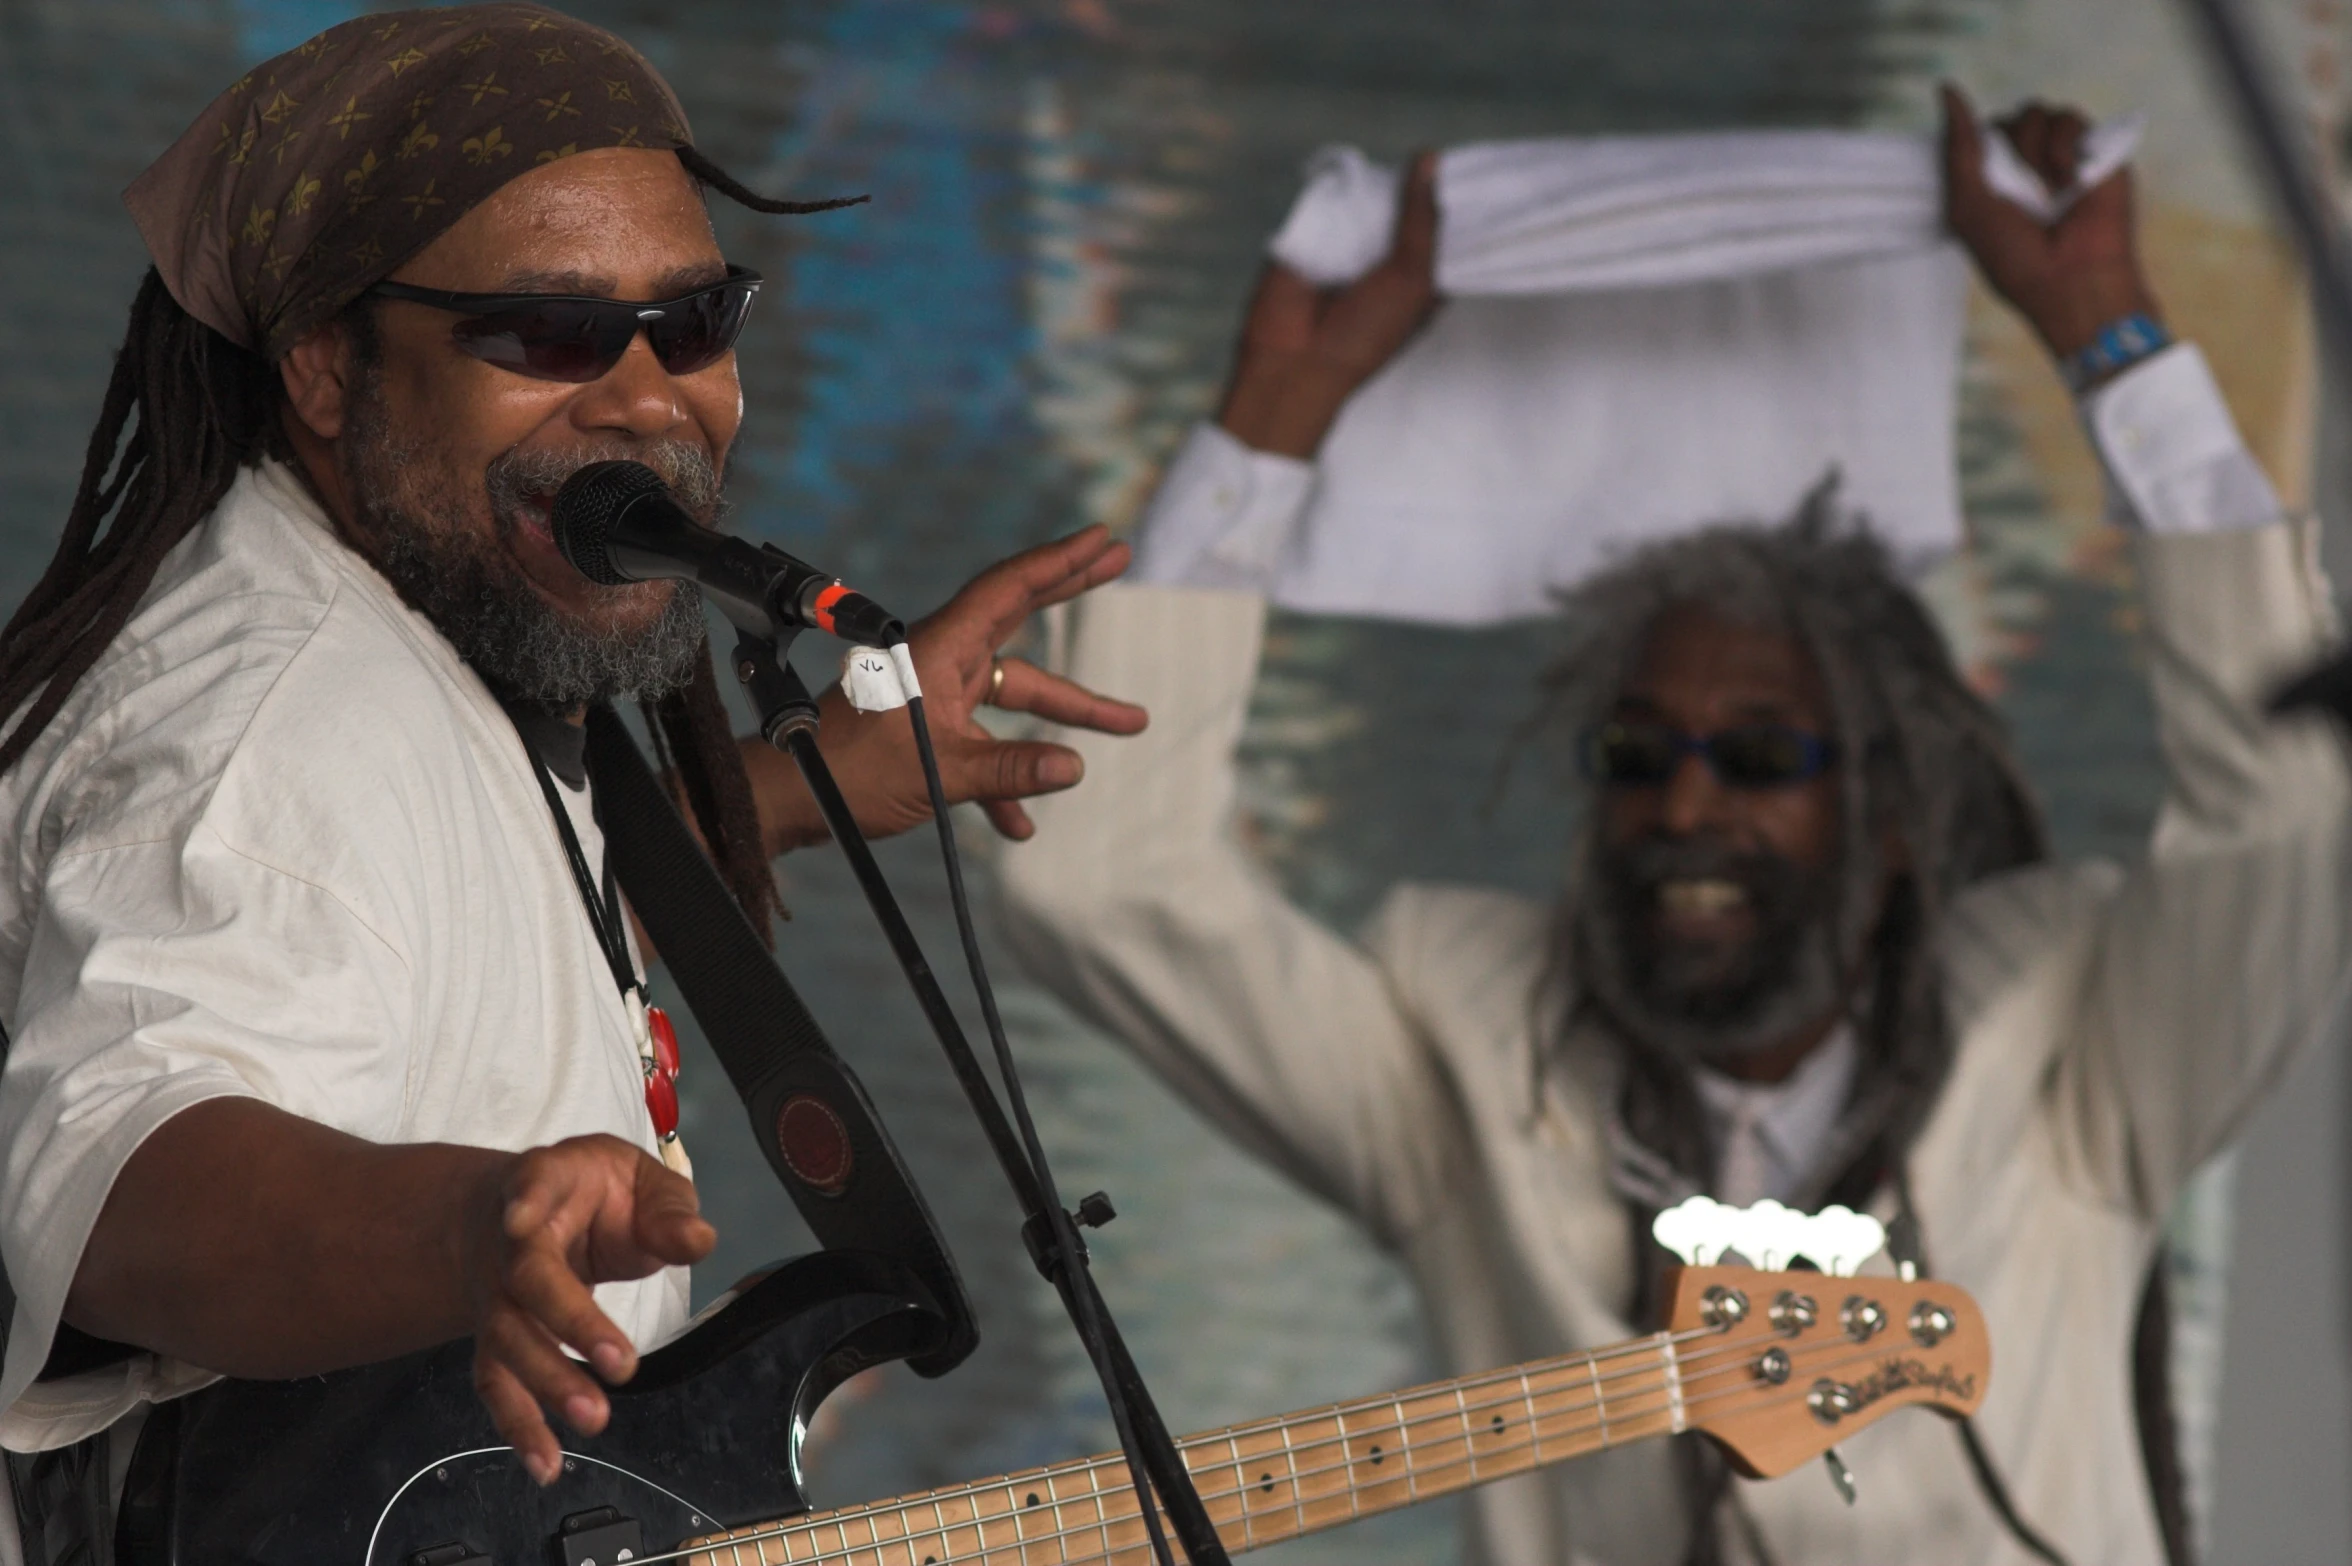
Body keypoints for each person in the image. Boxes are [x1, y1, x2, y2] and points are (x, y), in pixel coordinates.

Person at [998, 89, 2352, 1565]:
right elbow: (1096, 882)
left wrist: (2108, 329)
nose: (1685, 804)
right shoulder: (1470, 1056)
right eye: (1639, 754)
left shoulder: (2082, 1049)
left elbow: (2289, 806)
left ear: (1890, 814)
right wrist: (1274, 412)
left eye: (1761, 754)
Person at [0, 3, 1144, 1553]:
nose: (644, 396)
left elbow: (448, 923)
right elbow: (124, 1166)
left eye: (693, 321)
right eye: (545, 333)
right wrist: (473, 1226)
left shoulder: (417, 628)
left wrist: (799, 787)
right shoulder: (271, 721)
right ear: (331, 368)